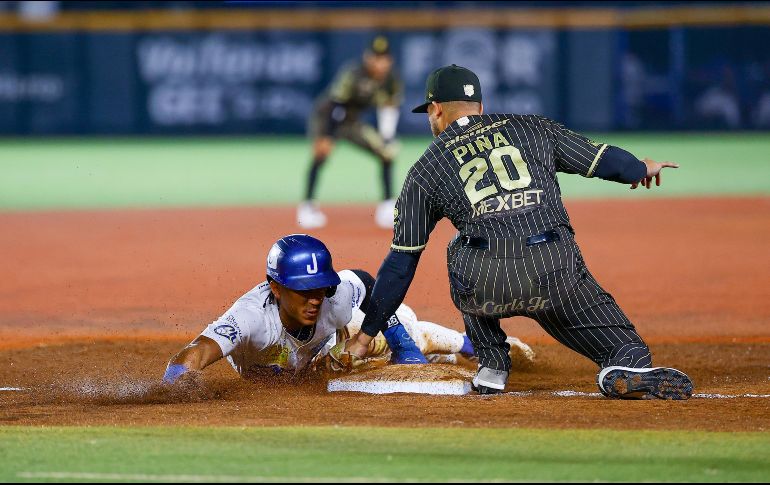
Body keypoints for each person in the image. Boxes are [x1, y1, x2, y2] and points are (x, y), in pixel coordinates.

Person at [342, 64, 694, 400]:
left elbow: (401, 263)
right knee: (628, 348)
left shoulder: (425, 168)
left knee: (460, 246)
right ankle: (622, 366)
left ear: (435, 110)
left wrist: (367, 334)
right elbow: (602, 161)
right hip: (554, 272)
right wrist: (640, 168)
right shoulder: (532, 127)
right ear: (480, 106)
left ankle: (492, 365)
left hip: (486, 282)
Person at [162, 234, 534, 384]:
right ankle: (448, 361)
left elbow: (368, 281)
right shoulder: (250, 317)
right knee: (356, 367)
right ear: (275, 288)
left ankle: (471, 347)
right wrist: (174, 385)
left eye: (320, 288)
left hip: (329, 344)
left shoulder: (333, 296)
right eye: (303, 291)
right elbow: (196, 352)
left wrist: (399, 342)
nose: (315, 298)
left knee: (403, 329)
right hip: (311, 362)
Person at [298, 35, 403, 230]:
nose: (380, 63)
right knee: (321, 154)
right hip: (327, 116)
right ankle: (307, 207)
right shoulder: (354, 73)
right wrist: (327, 136)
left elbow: (389, 108)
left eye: (384, 58)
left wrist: (387, 137)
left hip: (352, 122)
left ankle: (387, 207)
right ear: (367, 57)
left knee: (385, 153)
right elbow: (336, 104)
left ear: (390, 60)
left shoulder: (391, 79)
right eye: (376, 57)